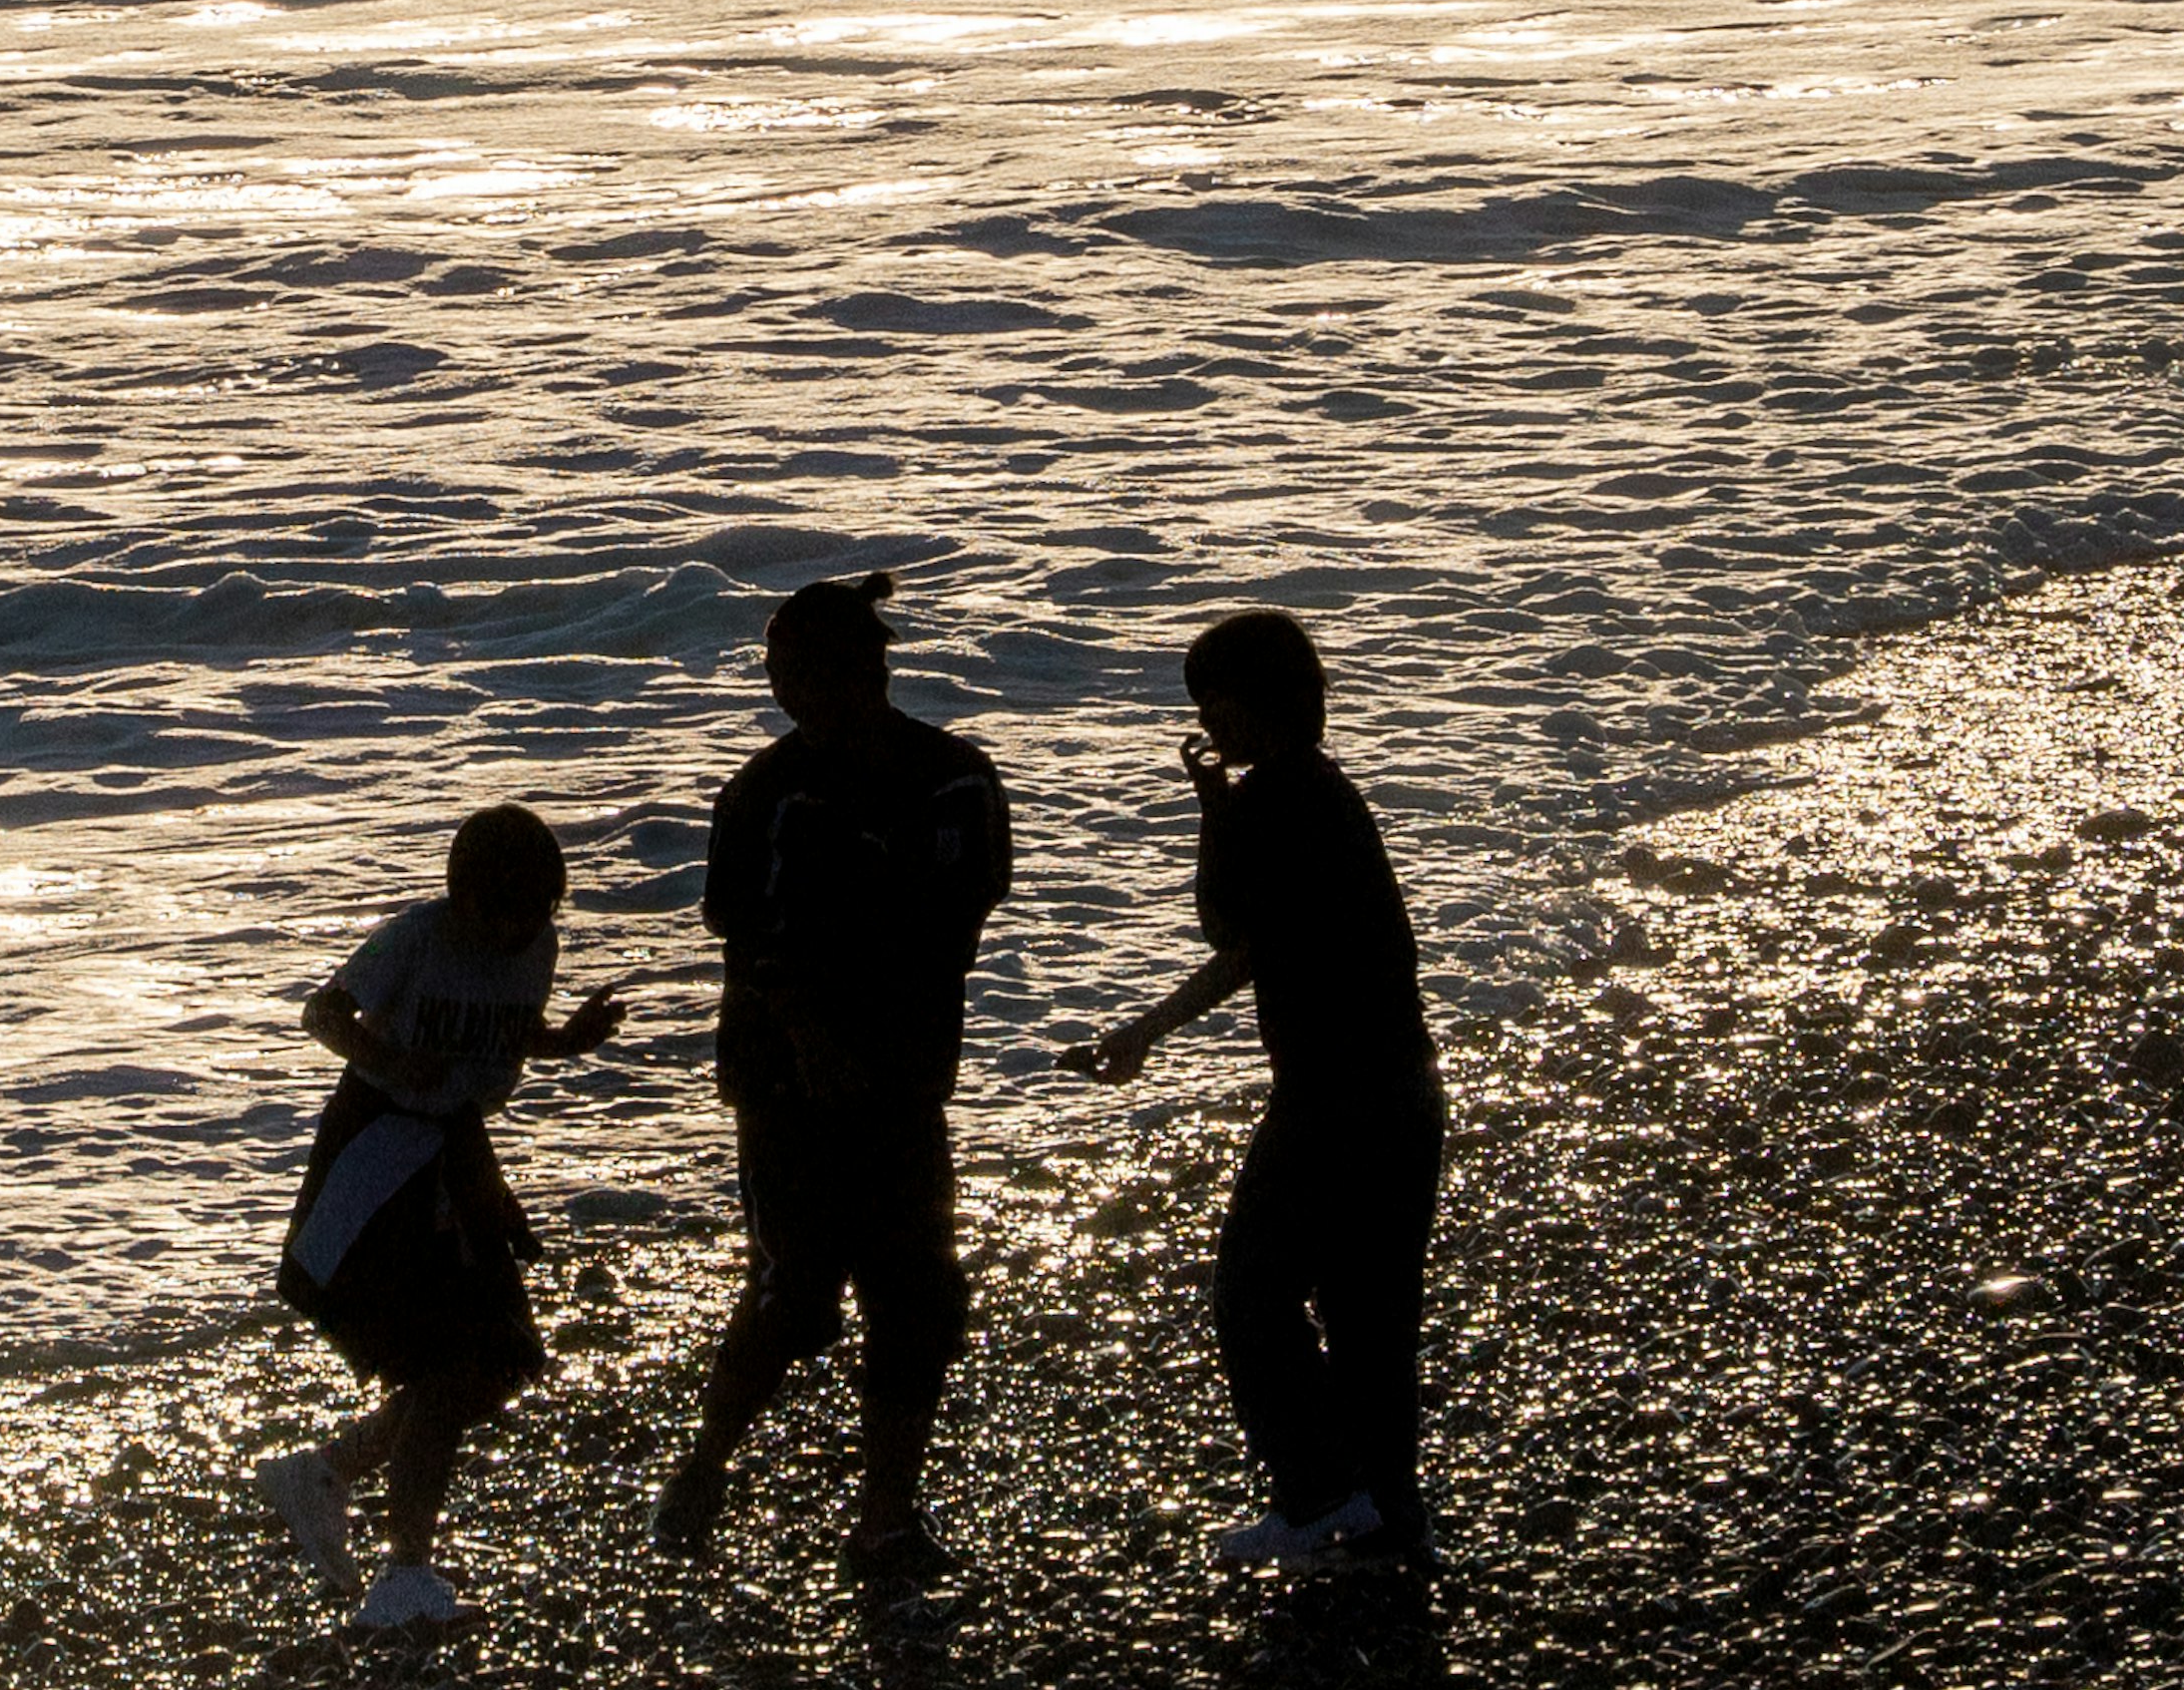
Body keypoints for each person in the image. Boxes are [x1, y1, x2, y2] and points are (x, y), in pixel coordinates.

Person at [654, 570, 1013, 1591]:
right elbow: (750, 942)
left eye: (792, 671)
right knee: (795, 1294)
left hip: (903, 1079)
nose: (781, 690)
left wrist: (878, 991)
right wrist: (815, 1039)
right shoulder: (767, 794)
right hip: (783, 1087)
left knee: (917, 1295)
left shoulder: (953, 780)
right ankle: (705, 1467)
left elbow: (966, 911)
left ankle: (885, 1518)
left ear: (850, 672)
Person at [1068, 606, 1443, 1575]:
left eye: (1210, 704)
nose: (1206, 723)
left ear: (1247, 704)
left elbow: (1225, 926)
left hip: (1330, 1100)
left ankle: (1319, 1495)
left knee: (1252, 1294)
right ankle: (1383, 1509)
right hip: (1403, 1084)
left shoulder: (1273, 803)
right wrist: (1148, 1032)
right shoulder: (1326, 792)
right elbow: (1257, 946)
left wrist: (1213, 815)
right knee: (1370, 1310)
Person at [255, 802, 624, 1632]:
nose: (522, 933)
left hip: (459, 1149)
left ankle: (324, 1471)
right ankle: (404, 1574)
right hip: (379, 1148)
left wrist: (569, 1040)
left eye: (540, 914)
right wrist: (387, 1057)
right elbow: (322, 1014)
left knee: (498, 1361)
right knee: (441, 1368)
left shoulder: (536, 946)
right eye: (505, 916)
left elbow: (508, 1033)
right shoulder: (410, 940)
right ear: (462, 903)